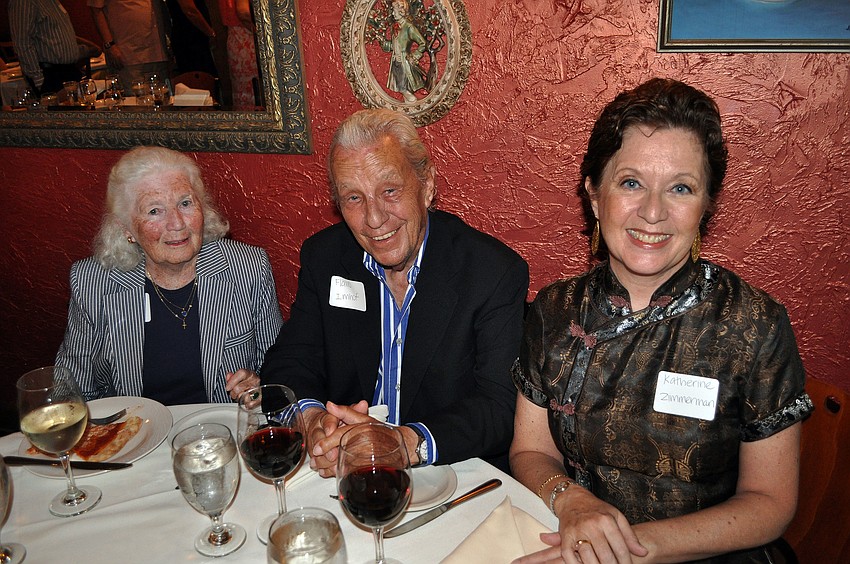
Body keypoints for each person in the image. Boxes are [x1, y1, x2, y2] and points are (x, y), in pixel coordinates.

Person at [510, 78, 813, 564]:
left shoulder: (755, 325)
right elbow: (531, 452)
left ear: (706, 204)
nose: (653, 212)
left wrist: (632, 550)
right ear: (594, 195)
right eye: (631, 182)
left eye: (680, 188)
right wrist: (573, 502)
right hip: (572, 540)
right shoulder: (554, 310)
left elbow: (771, 503)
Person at [261, 108, 529, 476]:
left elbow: (500, 406)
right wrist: (312, 418)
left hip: (450, 472)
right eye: (354, 198)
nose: (374, 218)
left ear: (427, 185)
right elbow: (290, 361)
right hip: (346, 466)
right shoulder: (326, 258)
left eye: (389, 191)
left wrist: (406, 443)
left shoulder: (491, 272)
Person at [56, 146, 283, 405]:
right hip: (134, 437)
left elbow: (280, 369)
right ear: (126, 228)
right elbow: (70, 391)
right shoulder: (92, 282)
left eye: (185, 203)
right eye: (154, 211)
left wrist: (259, 386)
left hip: (222, 434)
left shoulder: (247, 268)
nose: (177, 224)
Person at [88, 0, 171, 92]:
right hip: (128, 55)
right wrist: (110, 45)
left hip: (158, 51)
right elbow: (95, 9)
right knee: (135, 102)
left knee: (162, 100)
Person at [8, 0, 86, 95]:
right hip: (51, 75)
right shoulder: (24, 2)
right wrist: (39, 81)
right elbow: (22, 43)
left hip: (68, 72)